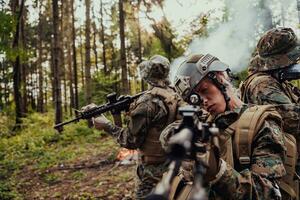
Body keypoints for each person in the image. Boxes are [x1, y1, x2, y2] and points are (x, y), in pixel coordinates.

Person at [159, 53, 298, 199]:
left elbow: (267, 194)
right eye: (197, 99)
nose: (204, 101)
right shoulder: (206, 120)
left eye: (204, 90)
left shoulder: (262, 124)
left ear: (221, 77)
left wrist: (219, 172)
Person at [82, 55, 184, 199]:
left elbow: (130, 141)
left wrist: (107, 125)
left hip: (152, 173)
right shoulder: (173, 93)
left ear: (146, 75)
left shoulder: (147, 103)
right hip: (174, 166)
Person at [240, 27, 300, 179]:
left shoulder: (276, 79)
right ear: (279, 60)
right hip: (275, 168)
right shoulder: (262, 84)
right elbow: (293, 120)